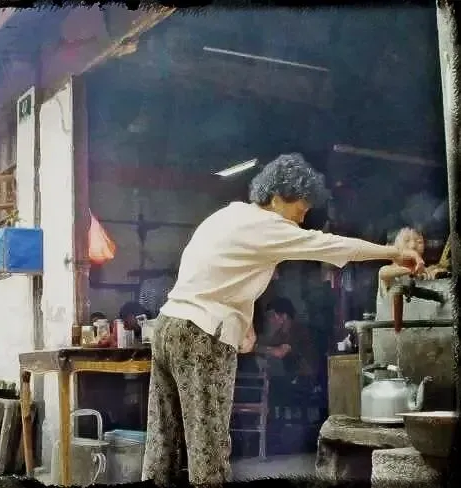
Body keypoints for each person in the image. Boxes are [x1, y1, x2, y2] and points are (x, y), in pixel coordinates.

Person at [141, 153, 425, 487]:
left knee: (163, 441)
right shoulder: (269, 227)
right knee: (208, 444)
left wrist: (244, 324)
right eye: (300, 211)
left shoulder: (227, 216)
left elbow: (220, 276)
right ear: (277, 198)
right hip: (201, 334)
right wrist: (393, 252)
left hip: (168, 325)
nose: (302, 221)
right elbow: (332, 245)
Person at [255, 297, 317, 381]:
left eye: (271, 316)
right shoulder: (280, 334)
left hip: (306, 380)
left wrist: (251, 347)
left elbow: (280, 352)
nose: (269, 320)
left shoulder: (299, 331)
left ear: (283, 316)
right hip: (291, 379)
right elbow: (269, 346)